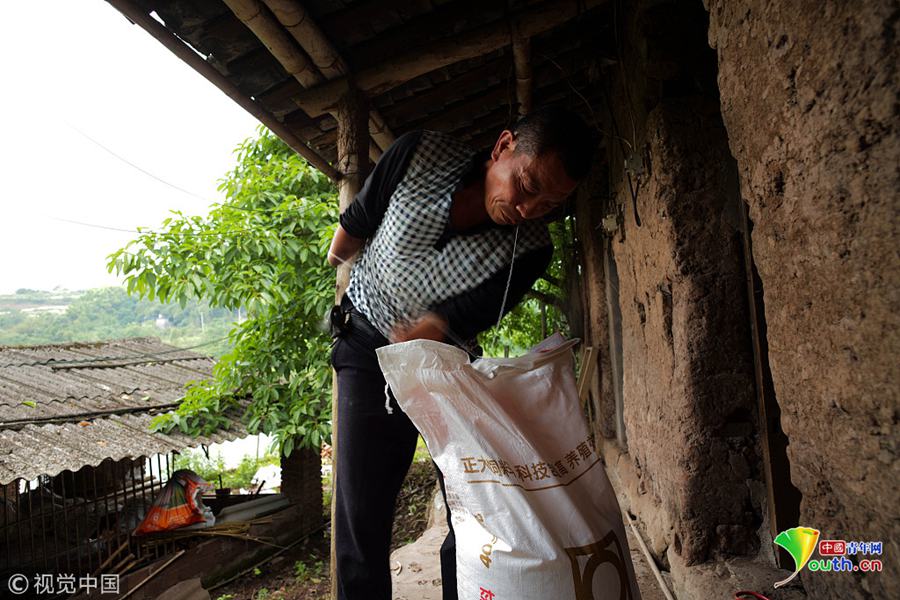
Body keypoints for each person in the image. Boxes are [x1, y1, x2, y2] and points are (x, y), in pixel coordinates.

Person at [326, 106, 594, 600]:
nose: (530, 209)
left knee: (470, 507)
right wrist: (345, 275)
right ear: (502, 147)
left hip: (441, 369)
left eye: (552, 203)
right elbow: (354, 228)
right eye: (528, 186)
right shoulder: (418, 154)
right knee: (361, 513)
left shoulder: (531, 249)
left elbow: (456, 320)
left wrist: (429, 329)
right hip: (364, 349)